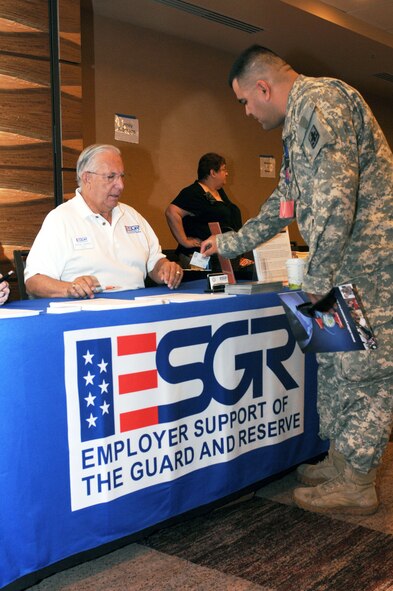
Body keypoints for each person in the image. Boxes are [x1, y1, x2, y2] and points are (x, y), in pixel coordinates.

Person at [201, 45, 393, 515]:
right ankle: (343, 462)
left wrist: (318, 279)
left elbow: (334, 199)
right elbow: (285, 200)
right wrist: (231, 243)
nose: (246, 111)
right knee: (336, 366)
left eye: (245, 101)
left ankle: (358, 483)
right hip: (341, 266)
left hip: (367, 268)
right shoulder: (296, 128)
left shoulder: (320, 102)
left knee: (365, 374)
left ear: (263, 87)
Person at [25, 144, 183, 298]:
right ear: (87, 178)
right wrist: (69, 289)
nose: (120, 185)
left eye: (121, 176)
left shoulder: (131, 215)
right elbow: (34, 281)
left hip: (137, 311)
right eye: (110, 177)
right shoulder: (61, 219)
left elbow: (154, 262)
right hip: (88, 315)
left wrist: (165, 268)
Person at [165, 153, 243, 270]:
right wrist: (184, 241)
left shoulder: (219, 192)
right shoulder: (193, 192)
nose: (226, 173)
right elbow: (171, 212)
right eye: (223, 169)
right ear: (213, 173)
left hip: (221, 255)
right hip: (200, 257)